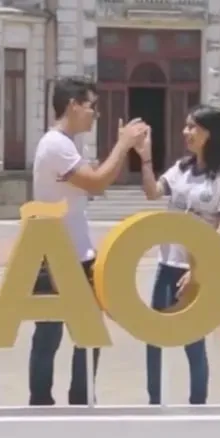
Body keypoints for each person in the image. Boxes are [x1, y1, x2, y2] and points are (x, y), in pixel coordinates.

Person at [29, 76, 148, 406]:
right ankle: (40, 403)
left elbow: (93, 179)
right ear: (73, 105)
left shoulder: (69, 143)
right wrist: (122, 145)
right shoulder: (56, 144)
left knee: (89, 333)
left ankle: (80, 400)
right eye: (91, 106)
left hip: (77, 252)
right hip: (53, 255)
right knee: (49, 335)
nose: (95, 114)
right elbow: (95, 183)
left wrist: (130, 154)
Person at [139, 105, 220, 405]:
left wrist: (200, 269)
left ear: (210, 133)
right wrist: (144, 158)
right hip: (167, 265)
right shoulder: (181, 168)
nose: (186, 133)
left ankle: (198, 404)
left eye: (193, 127)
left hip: (196, 271)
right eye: (186, 126)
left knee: (193, 341)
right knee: (154, 336)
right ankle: (154, 401)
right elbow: (153, 192)